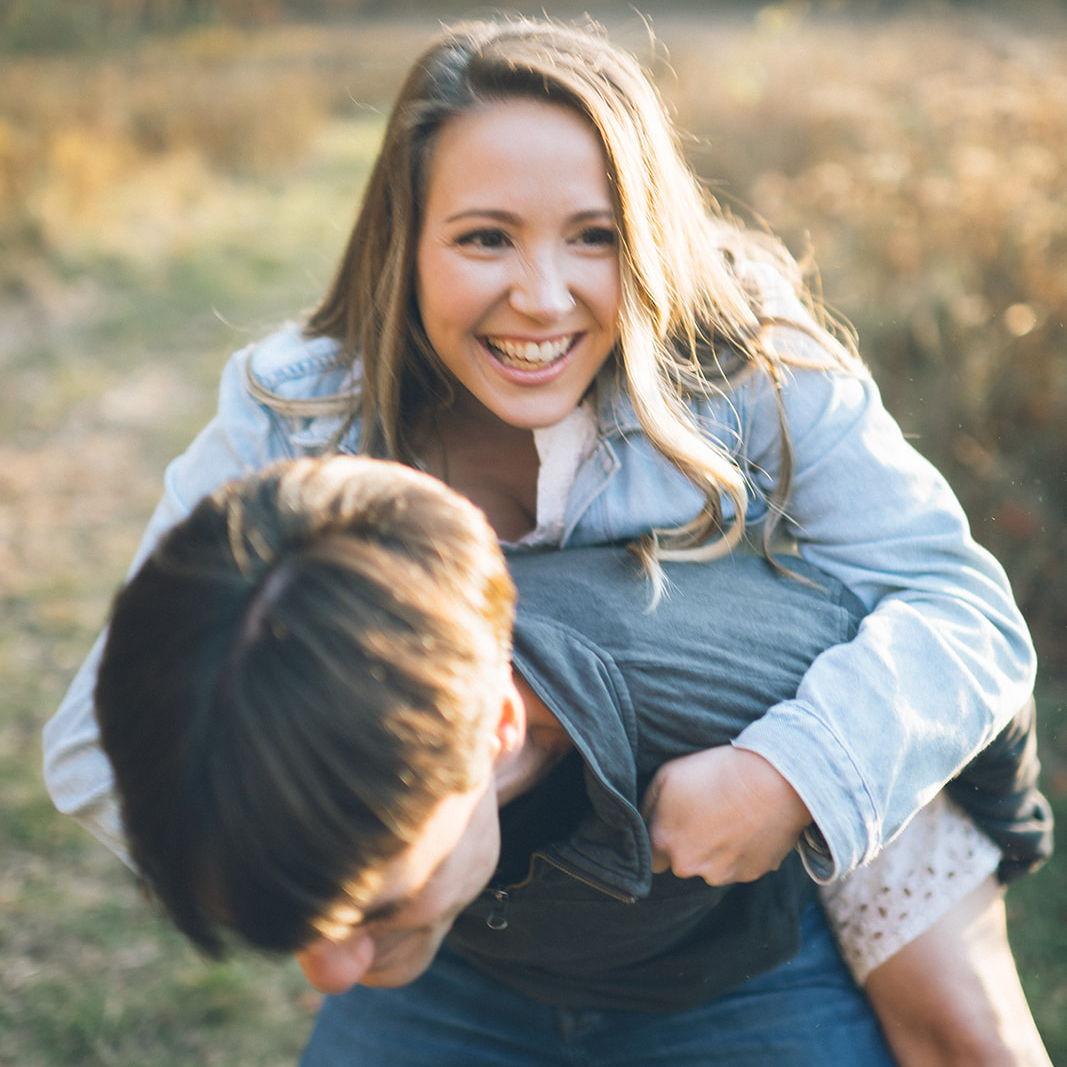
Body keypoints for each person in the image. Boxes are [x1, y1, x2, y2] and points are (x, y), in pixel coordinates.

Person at [43, 15, 1050, 1063]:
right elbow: (95, 740)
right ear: (405, 240)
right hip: (464, 959)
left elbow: (963, 611)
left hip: (730, 942)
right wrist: (356, 854)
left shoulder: (752, 367)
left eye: (593, 236)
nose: (540, 295)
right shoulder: (299, 413)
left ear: (648, 235)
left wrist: (786, 774)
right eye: (484, 237)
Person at [92, 456, 1047, 1066]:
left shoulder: (733, 682)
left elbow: (974, 689)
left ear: (498, 726)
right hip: (469, 967)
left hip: (731, 973)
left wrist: (807, 782)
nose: (328, 973)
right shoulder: (231, 715)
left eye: (374, 907)